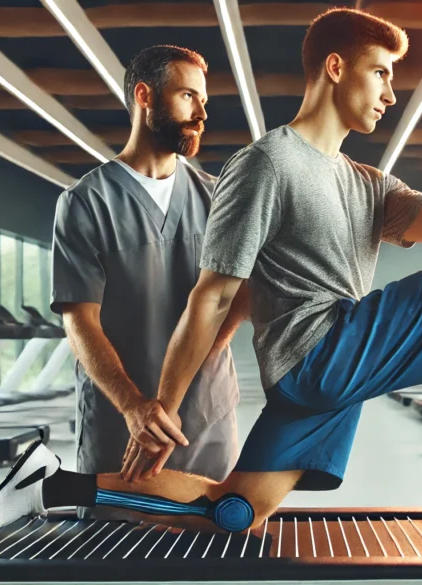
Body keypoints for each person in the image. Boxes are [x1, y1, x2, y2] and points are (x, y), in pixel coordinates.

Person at [0, 8, 422, 544]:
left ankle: (53, 485)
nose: (390, 90)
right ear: (335, 67)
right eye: (379, 73)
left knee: (233, 510)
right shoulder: (268, 162)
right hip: (321, 352)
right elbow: (215, 294)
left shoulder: (366, 183)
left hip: (317, 384)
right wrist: (163, 408)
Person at [49, 45, 246, 498]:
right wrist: (135, 407)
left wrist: (181, 394)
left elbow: (235, 301)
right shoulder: (85, 203)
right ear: (145, 96)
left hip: (205, 416)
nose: (201, 113)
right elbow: (79, 320)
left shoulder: (219, 199)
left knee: (213, 545)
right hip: (123, 423)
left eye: (204, 102)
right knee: (116, 554)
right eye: (187, 97)